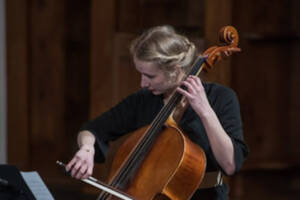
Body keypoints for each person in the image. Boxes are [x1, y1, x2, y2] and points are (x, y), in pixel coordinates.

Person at [66, 25, 248, 200]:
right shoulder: (143, 100)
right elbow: (93, 130)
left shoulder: (221, 98)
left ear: (175, 71)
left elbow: (230, 164)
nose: (143, 83)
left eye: (150, 76)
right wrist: (87, 149)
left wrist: (206, 112)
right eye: (141, 74)